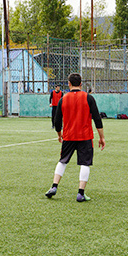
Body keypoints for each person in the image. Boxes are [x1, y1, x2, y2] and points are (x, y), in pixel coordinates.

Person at [44, 73, 105, 202]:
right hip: (85, 137)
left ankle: (54, 186)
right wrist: (101, 137)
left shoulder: (63, 99)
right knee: (85, 163)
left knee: (62, 161)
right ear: (81, 84)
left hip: (68, 136)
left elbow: (57, 121)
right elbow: (97, 119)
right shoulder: (88, 98)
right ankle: (80, 193)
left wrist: (59, 135)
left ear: (69, 84)